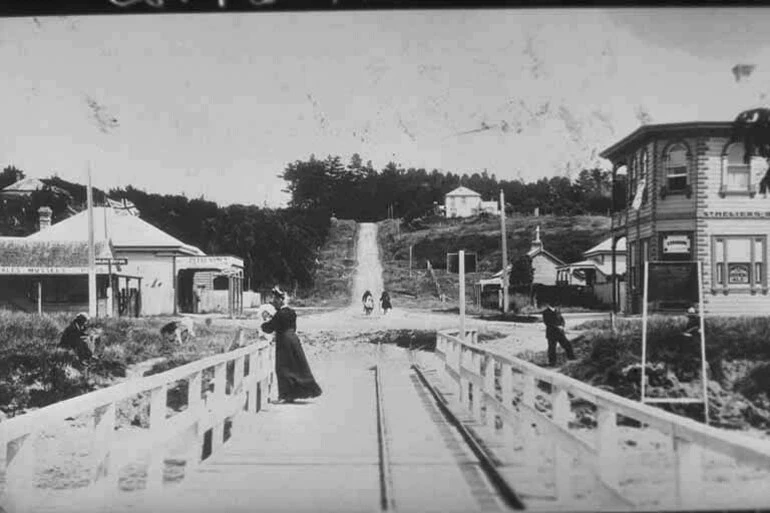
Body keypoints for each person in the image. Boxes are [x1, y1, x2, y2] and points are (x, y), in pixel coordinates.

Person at [261, 286, 322, 404]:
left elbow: (269, 328)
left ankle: (285, 395)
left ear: (280, 300)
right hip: (294, 339)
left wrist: (263, 323)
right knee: (296, 366)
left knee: (282, 367)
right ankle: (292, 394)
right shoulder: (292, 312)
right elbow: (293, 327)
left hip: (284, 341)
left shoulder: (280, 314)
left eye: (275, 300)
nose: (274, 303)